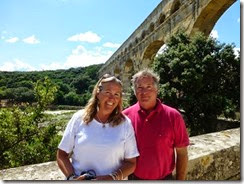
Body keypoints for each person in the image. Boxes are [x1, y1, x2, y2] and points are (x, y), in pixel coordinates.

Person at [57, 74, 139, 180]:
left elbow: (131, 163)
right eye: (108, 92)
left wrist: (112, 178)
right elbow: (62, 155)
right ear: (98, 93)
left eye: (116, 94)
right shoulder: (78, 118)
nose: (111, 98)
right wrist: (72, 178)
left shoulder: (125, 124)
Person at [123, 69, 189, 180]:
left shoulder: (173, 116)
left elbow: (182, 153)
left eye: (149, 87)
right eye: (139, 88)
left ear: (156, 89)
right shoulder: (125, 117)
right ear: (135, 91)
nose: (144, 92)